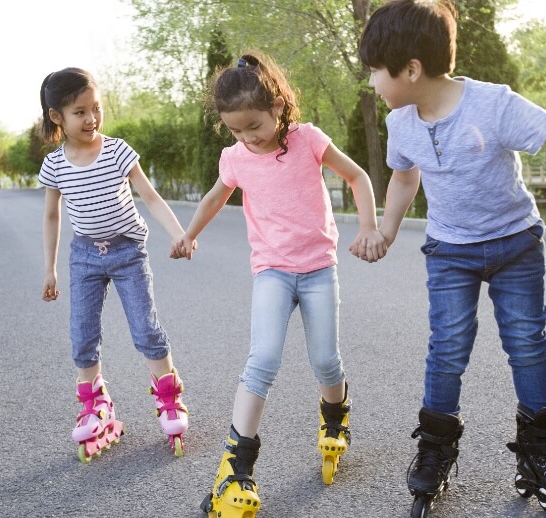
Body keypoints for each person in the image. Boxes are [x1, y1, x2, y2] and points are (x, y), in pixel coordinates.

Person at [358, 2, 546, 516]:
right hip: (449, 251)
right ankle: (436, 450)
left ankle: (543, 453)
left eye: (375, 70)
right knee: (448, 347)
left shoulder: (492, 104)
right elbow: (403, 176)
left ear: (411, 69)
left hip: (515, 244)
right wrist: (384, 229)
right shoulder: (402, 123)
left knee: (527, 343)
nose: (371, 81)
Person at [170, 51, 386, 516]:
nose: (247, 137)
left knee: (326, 361)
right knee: (262, 360)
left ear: (279, 108)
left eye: (255, 126)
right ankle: (236, 465)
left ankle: (335, 418)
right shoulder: (236, 158)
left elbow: (358, 176)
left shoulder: (307, 140)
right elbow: (215, 197)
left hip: (317, 269)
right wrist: (189, 234)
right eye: (236, 130)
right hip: (270, 269)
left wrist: (368, 226)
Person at [38, 67, 190, 461]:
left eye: (96, 109)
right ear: (57, 116)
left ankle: (169, 398)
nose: (91, 119)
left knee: (145, 327)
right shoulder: (55, 165)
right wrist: (50, 268)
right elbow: (53, 217)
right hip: (85, 256)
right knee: (82, 333)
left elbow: (150, 197)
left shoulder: (118, 150)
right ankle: (95, 404)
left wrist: (178, 233)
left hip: (127, 251)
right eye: (79, 112)